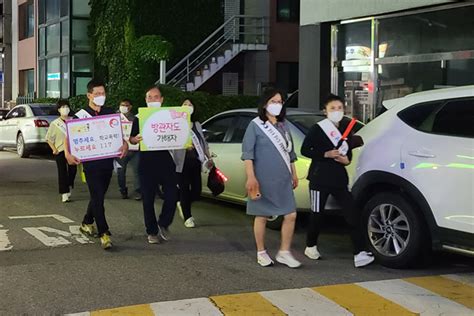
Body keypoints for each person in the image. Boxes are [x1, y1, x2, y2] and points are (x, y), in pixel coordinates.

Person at [300, 94, 375, 268]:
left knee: (352, 214)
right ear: (325, 111)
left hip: (339, 180)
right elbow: (305, 150)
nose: (336, 111)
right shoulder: (317, 129)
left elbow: (347, 154)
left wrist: (345, 160)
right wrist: (325, 154)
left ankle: (360, 252)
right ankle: (311, 246)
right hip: (319, 179)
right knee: (317, 215)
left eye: (339, 108)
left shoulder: (346, 130)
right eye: (332, 108)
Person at [65, 79, 128, 250]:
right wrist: (68, 154)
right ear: (89, 95)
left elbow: (120, 136)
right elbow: (68, 138)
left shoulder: (110, 113)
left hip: (107, 162)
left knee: (97, 196)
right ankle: (104, 233)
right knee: (98, 198)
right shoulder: (80, 116)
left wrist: (125, 145)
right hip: (90, 163)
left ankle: (86, 222)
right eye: (97, 94)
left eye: (103, 93)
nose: (101, 96)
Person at [241, 88, 301, 268]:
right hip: (263, 178)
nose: (277, 105)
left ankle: (284, 251)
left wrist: (294, 172)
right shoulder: (255, 125)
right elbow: (248, 154)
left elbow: (290, 152)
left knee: (290, 214)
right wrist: (251, 177)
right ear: (265, 103)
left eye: (280, 102)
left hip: (283, 177)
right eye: (274, 101)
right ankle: (261, 251)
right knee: (262, 215)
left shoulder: (284, 125)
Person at [129, 85, 183, 244]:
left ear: (162, 99)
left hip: (166, 160)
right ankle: (151, 231)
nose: (153, 100)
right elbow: (131, 139)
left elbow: (180, 133)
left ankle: (164, 223)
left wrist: (184, 141)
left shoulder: (170, 116)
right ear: (145, 100)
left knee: (173, 195)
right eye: (149, 97)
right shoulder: (140, 117)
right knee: (148, 199)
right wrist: (135, 139)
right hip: (146, 161)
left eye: (156, 97)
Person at [176, 99, 212, 228]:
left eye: (190, 104)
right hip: (181, 162)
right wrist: (184, 146)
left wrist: (208, 156)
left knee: (197, 191)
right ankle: (188, 217)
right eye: (185, 104)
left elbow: (203, 141)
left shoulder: (196, 124)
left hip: (196, 161)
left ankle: (182, 203)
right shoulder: (176, 123)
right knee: (185, 189)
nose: (187, 106)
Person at [45, 99, 77, 203]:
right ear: (58, 110)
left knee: (72, 171)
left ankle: (69, 185)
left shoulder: (73, 121)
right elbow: (48, 138)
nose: (65, 109)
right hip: (60, 150)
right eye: (62, 107)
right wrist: (54, 149)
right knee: (62, 172)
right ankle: (64, 193)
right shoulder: (55, 124)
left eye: (66, 107)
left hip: (72, 151)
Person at [116, 99, 141, 200]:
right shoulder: (115, 118)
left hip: (134, 149)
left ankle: (138, 191)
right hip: (121, 149)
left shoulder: (135, 119)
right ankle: (122, 189)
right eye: (122, 105)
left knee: (137, 170)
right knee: (121, 171)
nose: (124, 107)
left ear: (130, 107)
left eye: (126, 105)